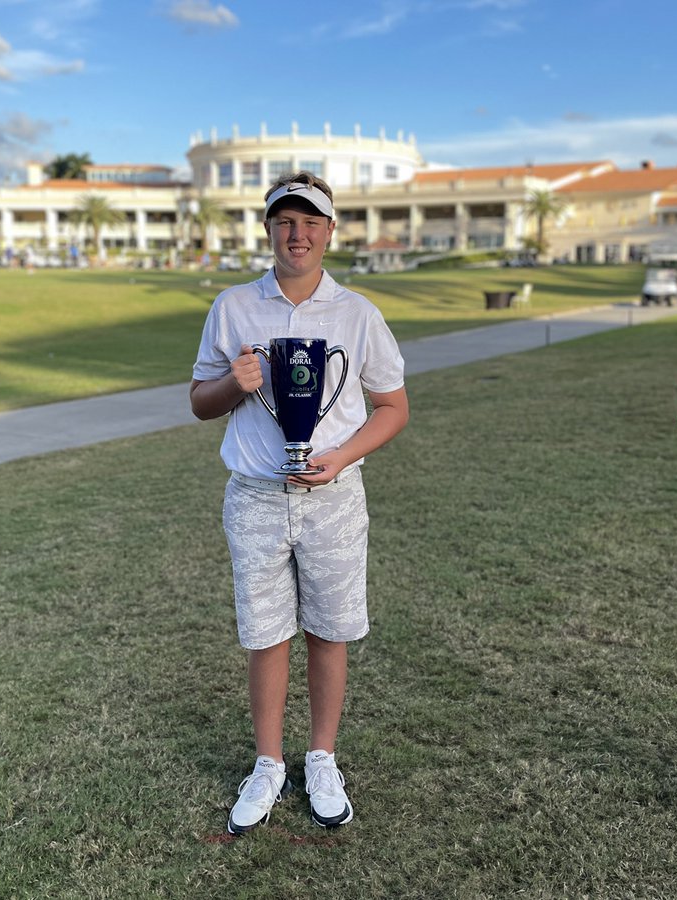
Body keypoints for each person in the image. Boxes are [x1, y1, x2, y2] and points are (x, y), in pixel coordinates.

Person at [190, 172, 409, 835]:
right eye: (285, 222)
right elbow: (201, 403)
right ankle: (267, 761)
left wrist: (341, 455)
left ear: (329, 231)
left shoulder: (358, 313)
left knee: (330, 630)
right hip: (256, 497)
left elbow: (393, 408)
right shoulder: (233, 307)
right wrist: (235, 381)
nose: (298, 234)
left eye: (310, 221)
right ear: (268, 230)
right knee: (265, 635)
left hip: (335, 499)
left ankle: (320, 756)